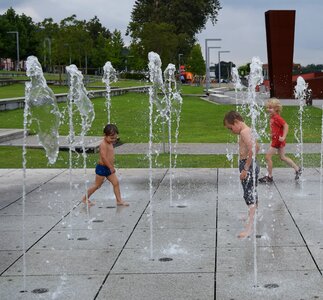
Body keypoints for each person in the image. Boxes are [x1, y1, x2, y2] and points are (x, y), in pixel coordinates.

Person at [223, 111, 260, 238]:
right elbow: (257, 147)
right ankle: (252, 216)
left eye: (231, 128)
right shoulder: (248, 130)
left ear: (237, 122)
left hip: (248, 165)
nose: (231, 131)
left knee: (248, 195)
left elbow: (253, 149)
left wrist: (245, 168)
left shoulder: (244, 132)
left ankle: (249, 229)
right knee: (252, 192)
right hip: (252, 164)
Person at [82, 124, 129, 207]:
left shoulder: (110, 142)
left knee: (116, 183)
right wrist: (111, 167)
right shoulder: (103, 144)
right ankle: (85, 198)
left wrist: (111, 165)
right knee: (97, 185)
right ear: (104, 135)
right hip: (102, 168)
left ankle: (119, 201)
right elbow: (103, 157)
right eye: (111, 138)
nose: (113, 140)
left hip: (108, 169)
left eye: (115, 138)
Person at [259, 98, 302, 183]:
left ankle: (269, 176)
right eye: (267, 107)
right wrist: (272, 134)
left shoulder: (277, 117)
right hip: (277, 139)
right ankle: (297, 169)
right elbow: (276, 128)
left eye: (270, 108)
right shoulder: (272, 117)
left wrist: (283, 136)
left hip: (278, 141)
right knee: (282, 157)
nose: (268, 109)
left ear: (276, 109)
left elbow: (286, 126)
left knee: (267, 157)